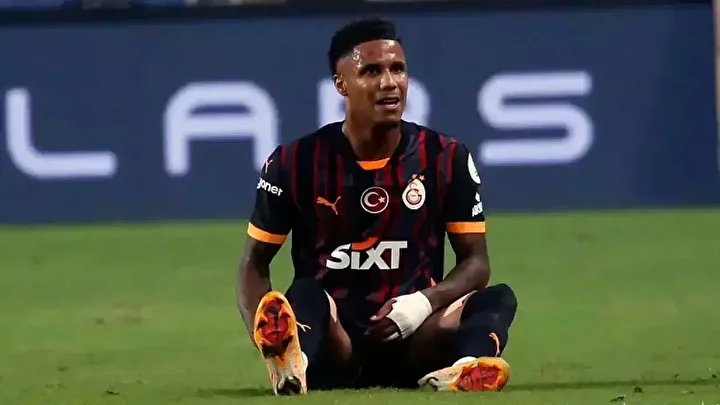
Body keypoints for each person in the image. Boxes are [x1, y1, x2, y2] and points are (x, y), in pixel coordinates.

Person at [237, 17, 517, 395]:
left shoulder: (445, 157)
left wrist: (422, 303)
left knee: (496, 298)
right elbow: (254, 264)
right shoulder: (294, 162)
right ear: (341, 84)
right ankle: (291, 360)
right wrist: (264, 337)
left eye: (397, 69)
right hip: (335, 345)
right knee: (303, 294)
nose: (389, 82)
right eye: (371, 71)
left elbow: (476, 263)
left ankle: (465, 368)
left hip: (416, 340)